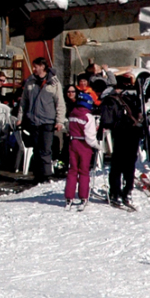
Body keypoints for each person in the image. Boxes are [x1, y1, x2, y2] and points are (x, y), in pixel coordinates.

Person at [19, 57, 65, 182]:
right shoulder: (30, 81)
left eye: (35, 67)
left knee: (46, 149)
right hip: (33, 120)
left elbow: (60, 102)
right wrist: (20, 117)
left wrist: (59, 121)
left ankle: (47, 174)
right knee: (36, 148)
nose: (33, 69)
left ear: (42, 67)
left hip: (48, 120)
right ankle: (37, 174)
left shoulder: (54, 82)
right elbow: (23, 102)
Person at [101, 74, 143, 210]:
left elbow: (107, 121)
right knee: (130, 163)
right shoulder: (133, 97)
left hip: (120, 133)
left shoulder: (110, 100)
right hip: (134, 132)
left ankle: (115, 192)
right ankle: (128, 190)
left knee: (117, 164)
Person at [64, 76, 99, 209]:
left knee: (72, 170)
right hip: (84, 145)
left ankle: (69, 197)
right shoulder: (88, 116)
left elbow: (69, 127)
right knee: (84, 171)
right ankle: (83, 196)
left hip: (73, 143)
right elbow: (90, 136)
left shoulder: (72, 113)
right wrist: (96, 145)